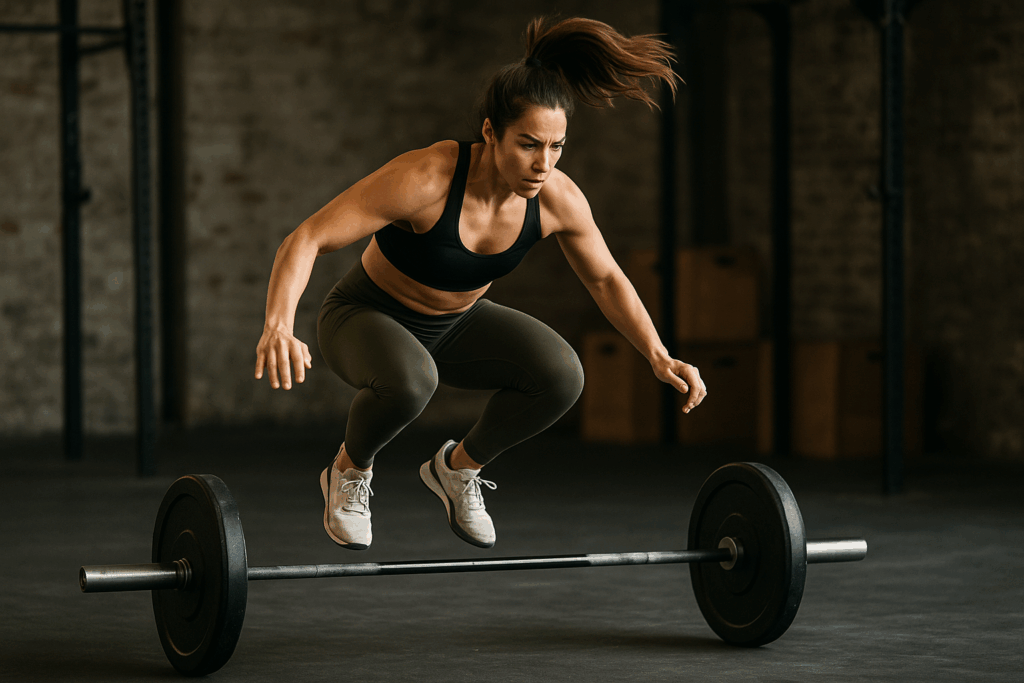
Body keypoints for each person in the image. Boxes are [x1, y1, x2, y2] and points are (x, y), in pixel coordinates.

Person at [254, 16, 708, 552]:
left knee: (561, 376)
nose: (543, 163)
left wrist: (657, 355)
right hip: (363, 316)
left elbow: (606, 278)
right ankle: (348, 472)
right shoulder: (427, 178)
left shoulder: (557, 198)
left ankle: (457, 469)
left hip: (454, 326)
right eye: (528, 144)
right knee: (411, 381)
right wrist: (278, 325)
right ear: (491, 133)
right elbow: (306, 238)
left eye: (557, 146)